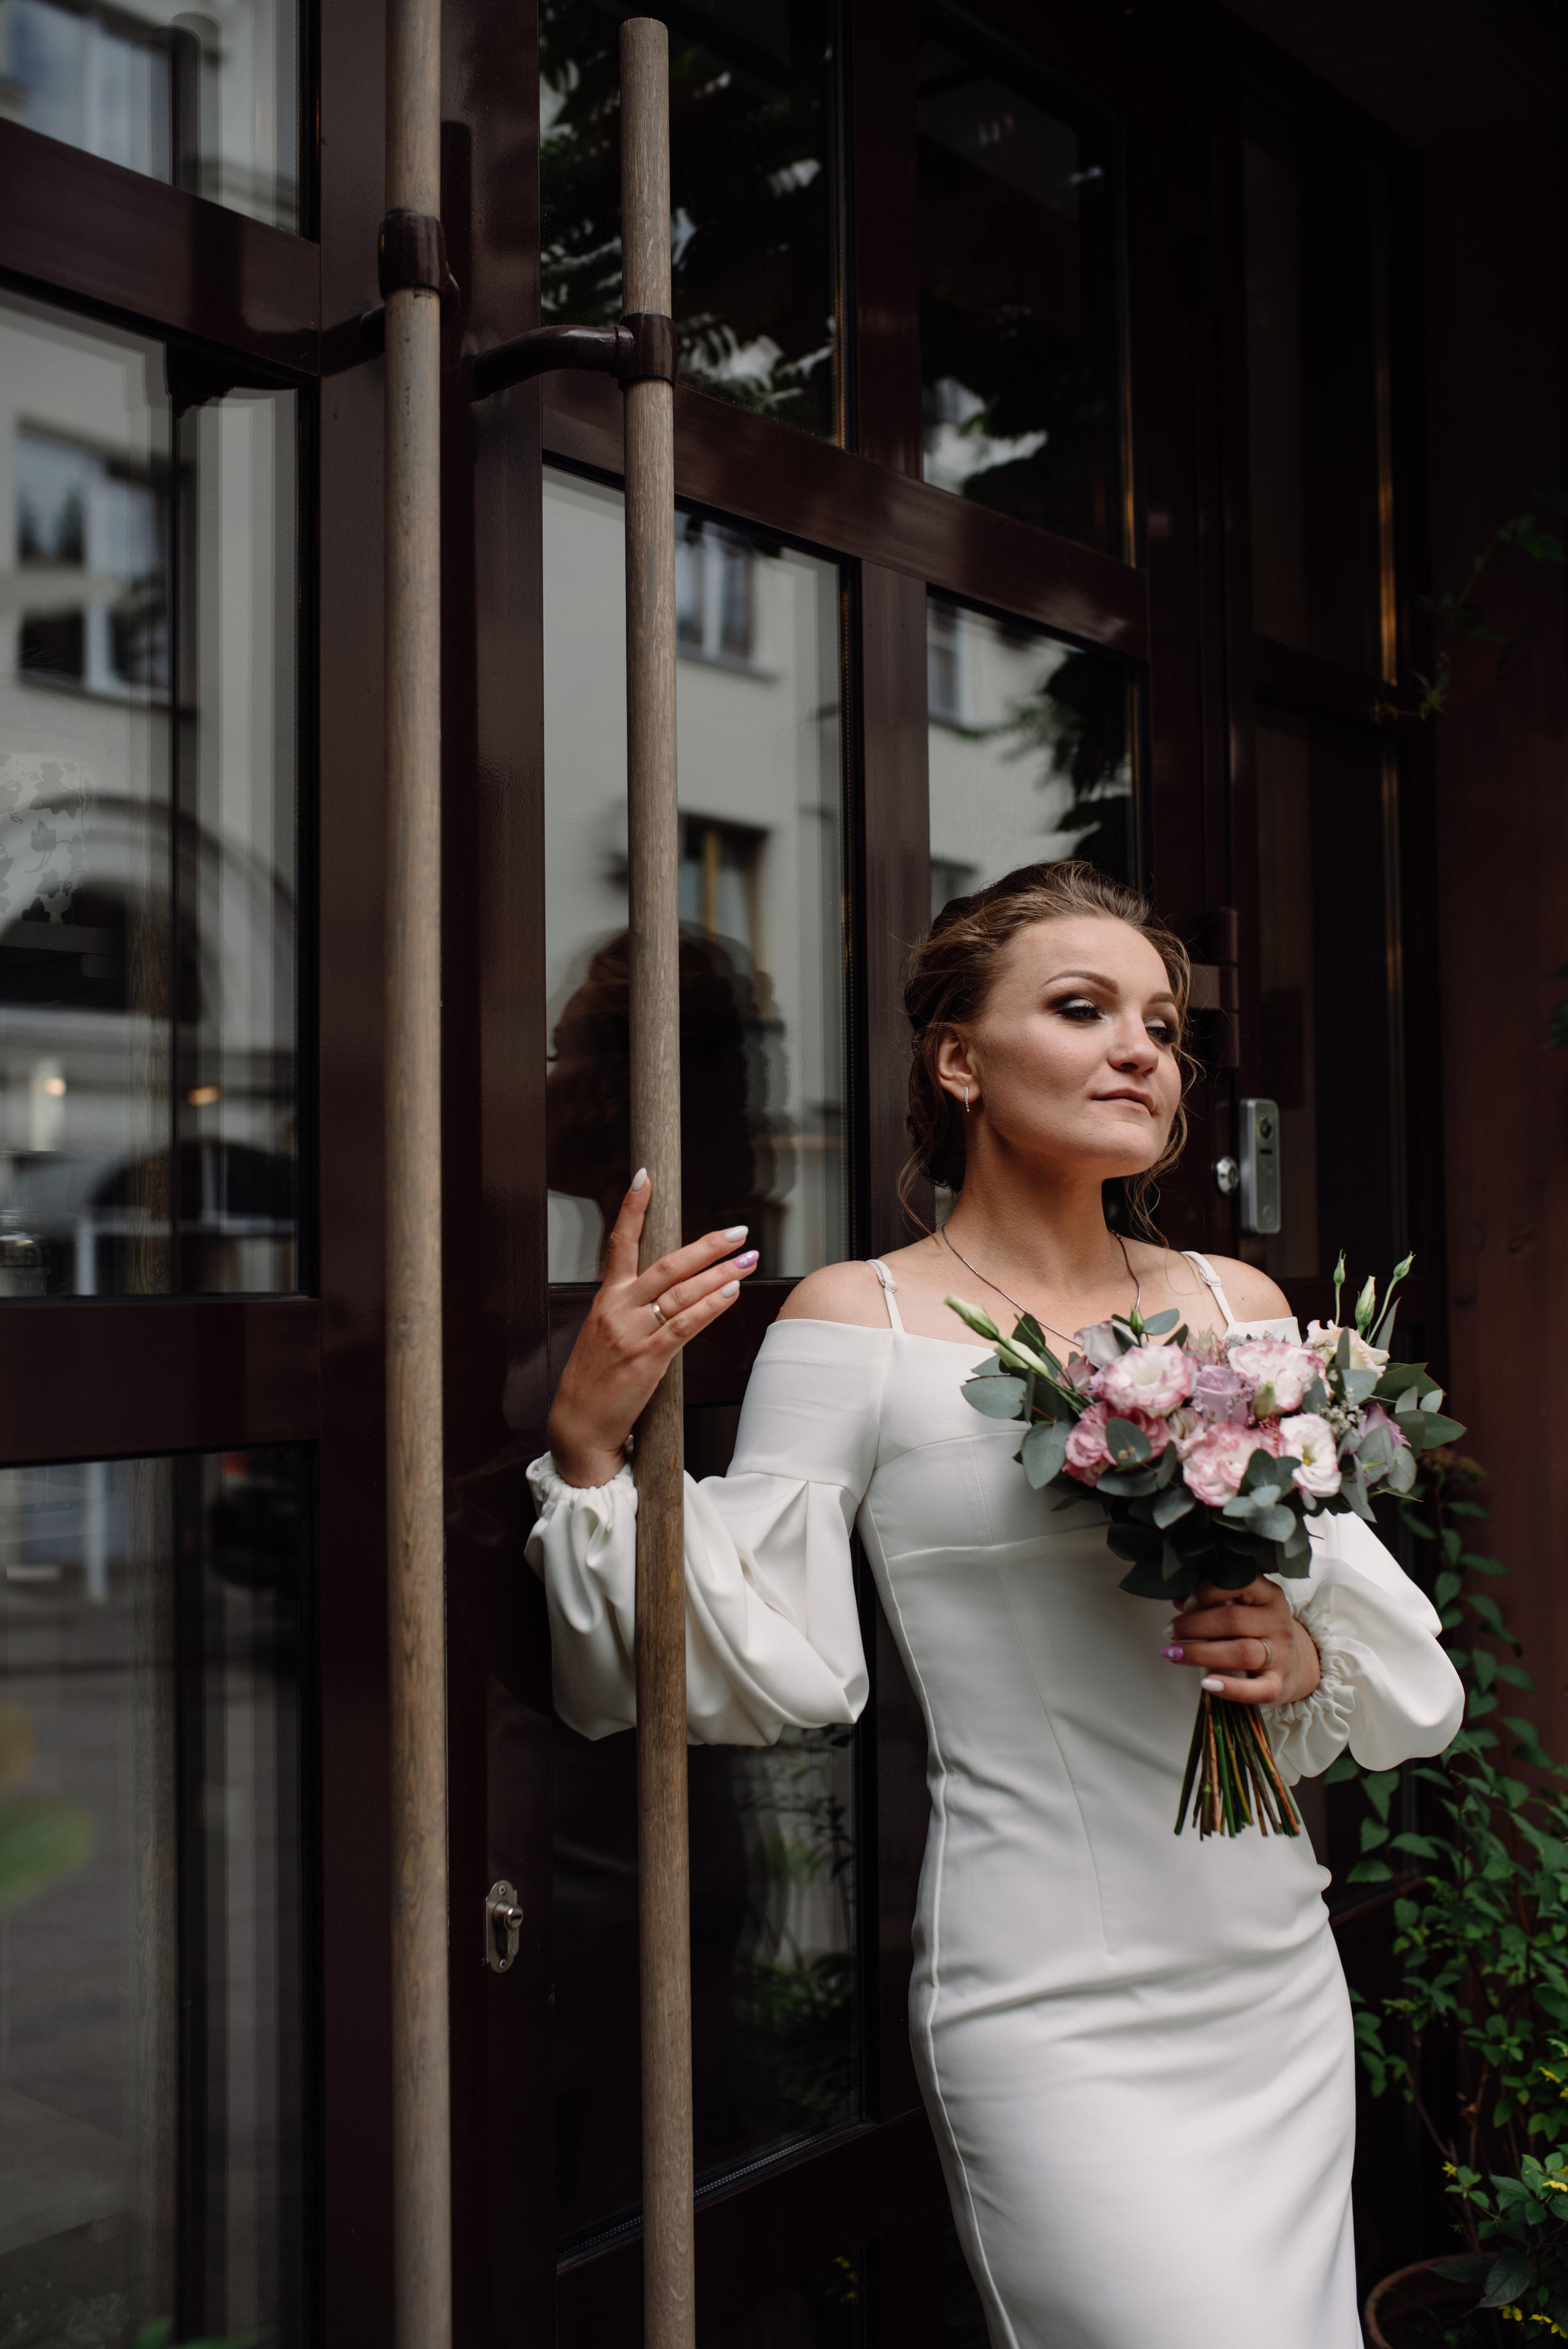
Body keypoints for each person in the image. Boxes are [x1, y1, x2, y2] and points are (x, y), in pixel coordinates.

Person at [528, 860, 1463, 2349]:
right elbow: (755, 1654)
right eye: (1082, 1009)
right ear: (956, 1058)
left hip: (1268, 1961)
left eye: (1160, 1025)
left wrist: (1293, 1659)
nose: (1140, 1051)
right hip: (1046, 1999)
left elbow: (1360, 1622)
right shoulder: (859, 1319)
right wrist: (589, 1449)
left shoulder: (1238, 1305)